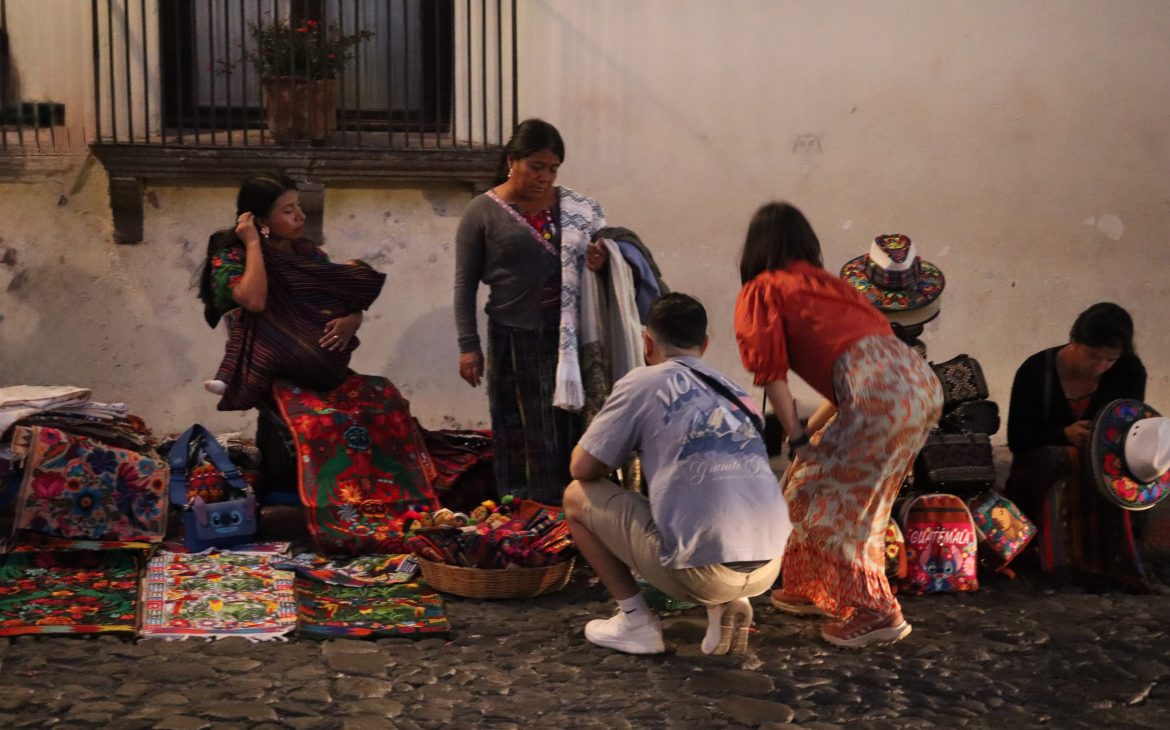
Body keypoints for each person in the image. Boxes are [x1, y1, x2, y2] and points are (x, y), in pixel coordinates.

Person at [734, 202, 942, 648]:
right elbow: (849, 375)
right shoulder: (830, 286)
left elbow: (771, 375)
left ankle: (878, 612)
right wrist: (809, 441)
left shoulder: (763, 289)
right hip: (918, 385)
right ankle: (815, 585)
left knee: (844, 506)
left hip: (878, 396)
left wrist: (795, 437)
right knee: (810, 485)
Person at [563, 293, 791, 656]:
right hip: (769, 566)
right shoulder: (735, 390)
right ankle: (730, 601)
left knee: (577, 495)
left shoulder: (643, 382)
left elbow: (582, 468)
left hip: (703, 573)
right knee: (697, 495)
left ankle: (636, 623)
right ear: (704, 344)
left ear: (647, 343)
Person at [453, 119, 609, 505]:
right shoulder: (482, 212)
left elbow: (609, 257)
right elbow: (464, 284)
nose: (545, 177)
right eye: (536, 166)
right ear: (512, 161)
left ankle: (571, 509)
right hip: (513, 336)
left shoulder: (574, 209)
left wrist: (602, 260)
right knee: (520, 427)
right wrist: (469, 346)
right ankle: (523, 510)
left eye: (553, 169)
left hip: (567, 338)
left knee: (567, 424)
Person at [198, 174, 385, 411]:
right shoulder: (233, 257)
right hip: (269, 367)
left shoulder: (308, 254)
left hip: (320, 361)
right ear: (261, 221)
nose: (301, 216)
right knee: (254, 322)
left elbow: (336, 296)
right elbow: (255, 302)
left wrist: (353, 319)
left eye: (299, 206)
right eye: (288, 211)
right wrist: (253, 243)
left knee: (382, 404)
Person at [1004, 302, 1149, 589]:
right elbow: (1018, 437)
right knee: (1064, 459)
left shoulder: (1129, 371)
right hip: (1041, 460)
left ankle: (1113, 563)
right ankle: (1064, 563)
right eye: (1093, 357)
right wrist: (1063, 434)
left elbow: (1131, 427)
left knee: (1119, 472)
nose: (1100, 367)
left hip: (1103, 460)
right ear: (1074, 341)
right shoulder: (1037, 370)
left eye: (1110, 360)